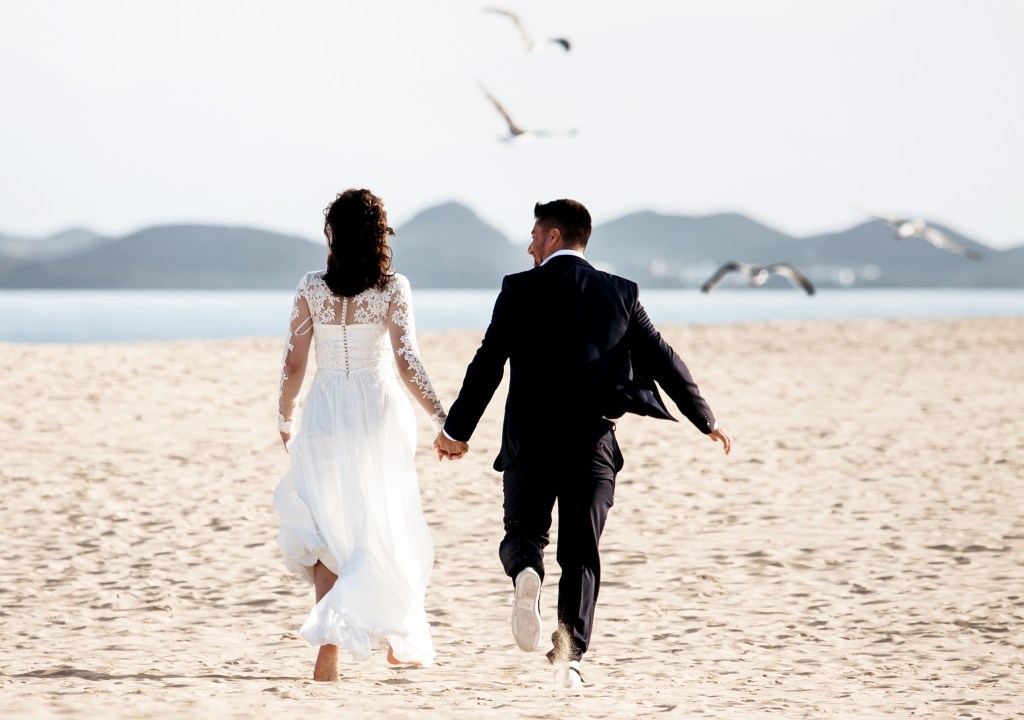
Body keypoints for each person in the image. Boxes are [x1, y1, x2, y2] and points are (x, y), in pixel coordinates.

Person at [434, 198, 731, 690]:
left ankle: (527, 573)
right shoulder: (619, 293)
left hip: (530, 441)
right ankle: (568, 659)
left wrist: (456, 432)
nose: (529, 244)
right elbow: (663, 358)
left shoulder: (518, 289)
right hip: (592, 444)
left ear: (553, 236)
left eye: (534, 234)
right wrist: (704, 418)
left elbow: (487, 364)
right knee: (581, 553)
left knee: (523, 534)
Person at [273, 188, 449, 681]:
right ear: (379, 234)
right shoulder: (394, 287)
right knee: (382, 520)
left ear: (333, 233)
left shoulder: (311, 286)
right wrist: (442, 417)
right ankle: (394, 639)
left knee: (330, 527)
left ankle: (329, 645)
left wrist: (285, 418)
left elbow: (293, 364)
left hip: (326, 408)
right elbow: (406, 360)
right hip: (378, 411)